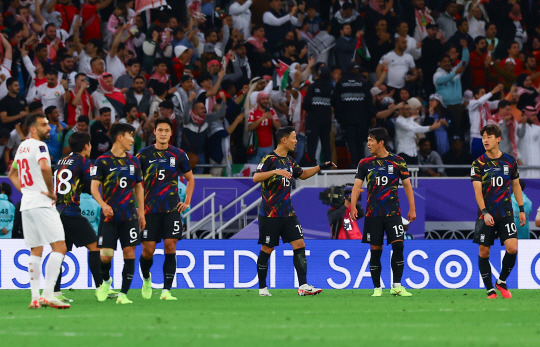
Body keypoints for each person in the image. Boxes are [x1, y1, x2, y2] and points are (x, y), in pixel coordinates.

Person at [254, 126, 335, 297]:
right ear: (284, 140)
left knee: (299, 244)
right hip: (270, 214)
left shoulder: (289, 161)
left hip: (288, 213)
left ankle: (303, 286)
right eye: (293, 137)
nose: (296, 141)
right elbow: (256, 177)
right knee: (267, 248)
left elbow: (302, 174)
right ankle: (262, 288)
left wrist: (320, 166)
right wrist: (275, 171)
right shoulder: (269, 159)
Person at [8, 114, 69, 309]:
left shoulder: (22, 147)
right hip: (42, 203)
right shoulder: (40, 146)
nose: (49, 128)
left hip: (27, 204)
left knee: (36, 250)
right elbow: (44, 166)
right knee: (60, 247)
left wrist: (26, 191)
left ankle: (35, 298)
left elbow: (12, 174)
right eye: (44, 125)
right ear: (33, 129)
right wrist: (51, 192)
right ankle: (49, 294)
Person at [350, 127, 416, 297]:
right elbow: (357, 186)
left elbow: (407, 185)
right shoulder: (365, 163)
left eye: (371, 140)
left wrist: (412, 208)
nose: (368, 143)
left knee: (399, 246)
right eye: (368, 140)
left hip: (393, 213)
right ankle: (377, 288)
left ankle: (397, 286)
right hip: (373, 215)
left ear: (381, 142)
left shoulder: (398, 161)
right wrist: (353, 205)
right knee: (375, 250)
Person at [137, 117, 195, 301]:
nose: (163, 133)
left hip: (171, 210)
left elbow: (191, 179)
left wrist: (187, 201)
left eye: (166, 130)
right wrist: (138, 208)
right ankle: (146, 278)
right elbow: (136, 184)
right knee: (148, 251)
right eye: (160, 130)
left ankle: (166, 290)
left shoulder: (178, 154)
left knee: (171, 246)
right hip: (149, 211)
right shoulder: (143, 155)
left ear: (171, 133)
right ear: (154, 132)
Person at [91, 123, 145, 304]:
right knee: (106, 255)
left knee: (129, 252)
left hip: (129, 215)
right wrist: (103, 204)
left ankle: (124, 294)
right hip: (109, 217)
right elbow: (94, 187)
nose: (133, 139)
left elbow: (139, 187)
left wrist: (142, 213)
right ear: (120, 137)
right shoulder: (102, 161)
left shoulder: (134, 161)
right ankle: (106, 281)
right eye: (130, 135)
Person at [471, 123, 526, 299]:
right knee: (483, 252)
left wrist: (522, 209)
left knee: (512, 249)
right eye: (483, 137)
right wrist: (485, 212)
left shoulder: (510, 161)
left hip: (506, 213)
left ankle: (501, 281)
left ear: (498, 139)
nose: (485, 140)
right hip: (485, 214)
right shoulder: (478, 163)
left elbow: (516, 185)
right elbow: (477, 192)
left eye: (488, 137)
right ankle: (489, 290)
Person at [54, 132, 106, 302]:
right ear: (86, 146)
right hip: (70, 212)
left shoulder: (61, 160)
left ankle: (54, 293)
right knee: (95, 247)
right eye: (90, 144)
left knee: (60, 252)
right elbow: (91, 187)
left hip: (55, 211)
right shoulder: (84, 162)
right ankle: (101, 288)